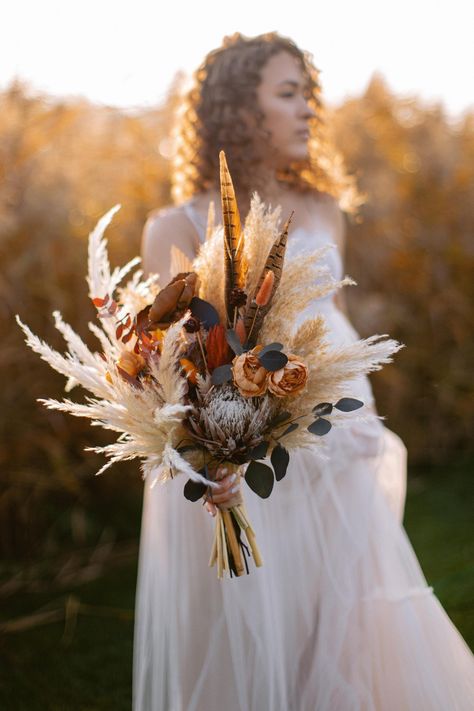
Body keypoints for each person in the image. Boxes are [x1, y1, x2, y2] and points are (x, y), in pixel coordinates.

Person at [134, 31, 474, 711]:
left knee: (343, 616)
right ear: (238, 110)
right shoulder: (175, 223)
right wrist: (209, 452)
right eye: (288, 94)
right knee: (253, 625)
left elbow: (331, 317)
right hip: (240, 453)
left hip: (336, 434)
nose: (308, 110)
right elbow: (162, 366)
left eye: (307, 94)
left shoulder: (322, 211)